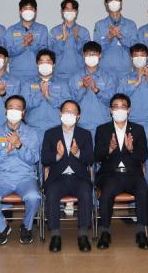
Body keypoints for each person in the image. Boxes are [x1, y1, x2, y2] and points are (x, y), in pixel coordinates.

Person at [94, 93, 148, 250]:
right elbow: (96, 156)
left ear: (129, 110)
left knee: (143, 190)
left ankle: (141, 232)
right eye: (116, 107)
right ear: (110, 110)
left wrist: (132, 149)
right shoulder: (102, 129)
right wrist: (109, 148)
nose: (119, 110)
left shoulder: (138, 129)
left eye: (123, 107)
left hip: (132, 174)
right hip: (110, 175)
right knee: (107, 190)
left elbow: (143, 156)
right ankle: (105, 232)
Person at [0, 95, 42, 245]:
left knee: (34, 197)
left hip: (26, 177)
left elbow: (35, 158)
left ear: (23, 112)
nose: (14, 111)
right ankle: (2, 227)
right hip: (3, 178)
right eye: (11, 108)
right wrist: (6, 151)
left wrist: (19, 146)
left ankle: (26, 226)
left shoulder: (31, 133)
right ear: (5, 111)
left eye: (18, 108)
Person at [42, 100, 94, 253]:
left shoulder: (85, 134)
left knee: (86, 192)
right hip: (58, 178)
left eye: (73, 112)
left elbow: (90, 159)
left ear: (78, 116)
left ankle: (83, 234)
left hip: (79, 178)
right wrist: (57, 155)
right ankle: (55, 235)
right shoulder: (50, 133)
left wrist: (77, 153)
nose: (69, 114)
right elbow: (44, 159)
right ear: (60, 114)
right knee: (52, 193)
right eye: (66, 111)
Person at [116, 43, 148, 179]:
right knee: (132, 157)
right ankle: (134, 188)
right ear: (131, 58)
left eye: (142, 55)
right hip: (132, 123)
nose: (139, 58)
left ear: (147, 57)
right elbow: (120, 98)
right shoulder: (126, 78)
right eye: (136, 55)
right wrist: (136, 82)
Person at [22, 49, 71, 145]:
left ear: (54, 65)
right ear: (37, 64)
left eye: (48, 62)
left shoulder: (62, 83)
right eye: (41, 62)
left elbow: (67, 106)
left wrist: (48, 97)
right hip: (33, 128)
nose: (44, 65)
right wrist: (41, 94)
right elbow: (23, 105)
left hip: (56, 128)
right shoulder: (28, 83)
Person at [68, 41, 116, 137]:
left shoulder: (108, 78)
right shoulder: (75, 77)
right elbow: (71, 102)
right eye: (88, 54)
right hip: (81, 124)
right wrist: (83, 88)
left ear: (100, 55)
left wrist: (96, 90)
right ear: (83, 55)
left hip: (103, 124)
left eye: (94, 54)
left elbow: (112, 102)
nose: (91, 57)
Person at [93, 0, 138, 75]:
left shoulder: (130, 24)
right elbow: (95, 49)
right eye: (110, 0)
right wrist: (109, 37)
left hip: (125, 70)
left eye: (116, 0)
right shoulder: (99, 25)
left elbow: (135, 47)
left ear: (121, 3)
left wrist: (121, 37)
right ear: (106, 4)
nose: (114, 3)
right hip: (104, 71)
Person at [4, 0, 48, 79]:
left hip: (37, 73)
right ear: (20, 11)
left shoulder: (42, 29)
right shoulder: (11, 29)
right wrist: (24, 44)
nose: (28, 11)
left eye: (31, 9)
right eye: (25, 9)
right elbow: (7, 52)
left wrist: (32, 43)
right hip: (16, 74)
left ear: (35, 11)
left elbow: (44, 53)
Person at [48, 0, 91, 80]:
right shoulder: (54, 31)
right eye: (67, 9)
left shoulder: (84, 31)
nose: (69, 12)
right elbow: (51, 54)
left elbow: (87, 54)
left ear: (76, 12)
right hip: (59, 75)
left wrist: (77, 39)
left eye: (72, 9)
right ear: (62, 11)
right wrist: (63, 40)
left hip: (79, 75)